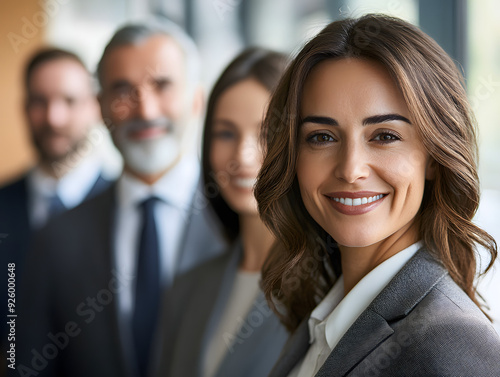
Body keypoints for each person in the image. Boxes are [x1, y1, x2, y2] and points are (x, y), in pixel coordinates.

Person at [254, 14, 500, 377]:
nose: (351, 169)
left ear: (434, 158)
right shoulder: (322, 316)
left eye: (384, 136)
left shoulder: (455, 346)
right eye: (322, 136)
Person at [16, 21, 226, 377]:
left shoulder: (241, 223)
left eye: (162, 85)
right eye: (123, 90)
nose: (145, 110)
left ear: (196, 99)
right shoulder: (57, 237)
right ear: (100, 107)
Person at [156, 47, 289, 377]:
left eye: (266, 133)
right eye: (225, 133)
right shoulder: (187, 289)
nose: (242, 156)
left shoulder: (331, 287)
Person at [0, 47, 114, 348]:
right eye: (40, 101)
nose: (54, 117)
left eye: (69, 100)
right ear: (24, 109)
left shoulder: (127, 210)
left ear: (95, 107)